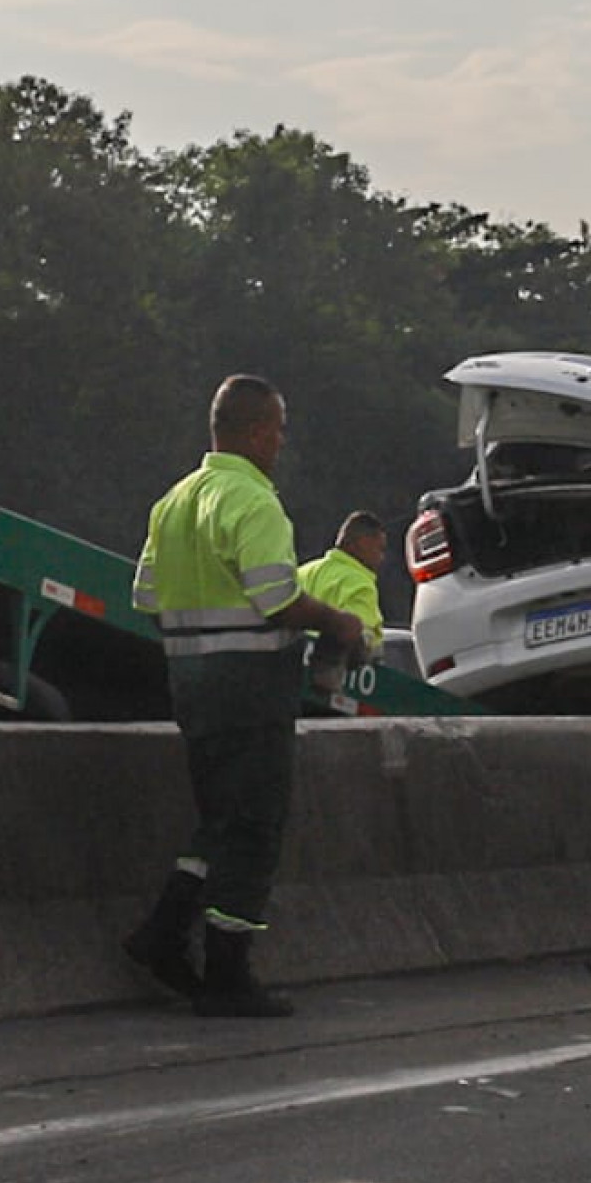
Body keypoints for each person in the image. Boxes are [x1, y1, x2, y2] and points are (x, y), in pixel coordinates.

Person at [122, 376, 367, 1018]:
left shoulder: (173, 502)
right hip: (251, 694)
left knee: (220, 824)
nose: (282, 443)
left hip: (193, 691)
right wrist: (340, 623)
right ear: (257, 430)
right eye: (279, 430)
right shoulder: (253, 502)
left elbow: (145, 600)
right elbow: (279, 599)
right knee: (255, 830)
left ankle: (163, 935)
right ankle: (228, 974)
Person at [297, 512, 389, 698]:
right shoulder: (360, 583)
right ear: (362, 542)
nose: (382, 558)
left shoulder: (303, 571)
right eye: (380, 549)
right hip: (328, 685)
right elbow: (363, 636)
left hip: (292, 673)